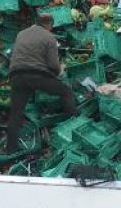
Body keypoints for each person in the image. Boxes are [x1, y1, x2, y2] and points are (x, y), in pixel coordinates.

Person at [6, 14, 78, 152]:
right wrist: (59, 72)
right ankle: (74, 125)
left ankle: (10, 149)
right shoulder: (49, 37)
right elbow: (53, 65)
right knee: (66, 91)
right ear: (49, 24)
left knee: (16, 113)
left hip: (16, 75)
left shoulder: (21, 34)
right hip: (36, 75)